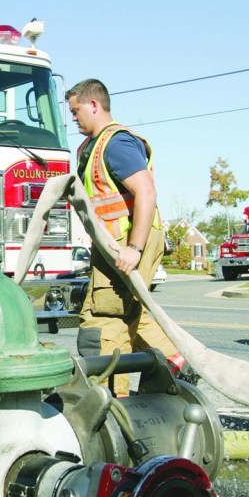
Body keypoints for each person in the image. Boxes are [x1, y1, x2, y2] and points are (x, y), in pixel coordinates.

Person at [65, 79, 193, 395]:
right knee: (132, 311)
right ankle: (177, 363)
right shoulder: (92, 147)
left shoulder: (116, 144)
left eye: (76, 110)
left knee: (103, 317)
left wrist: (134, 248)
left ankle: (112, 402)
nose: (73, 117)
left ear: (93, 105)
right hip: (113, 245)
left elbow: (146, 192)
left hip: (127, 244)